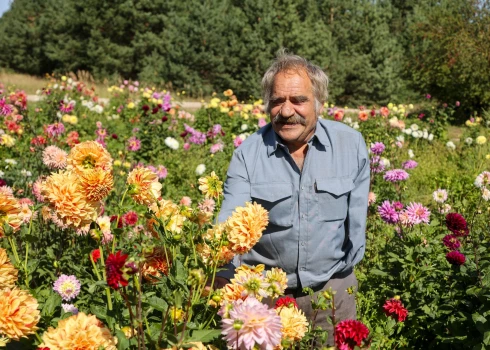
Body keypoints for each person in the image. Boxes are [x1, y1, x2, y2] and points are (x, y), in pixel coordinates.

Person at [215, 50, 370, 343]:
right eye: (277, 101)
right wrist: (224, 276)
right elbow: (229, 224)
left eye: (298, 100)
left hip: (331, 294)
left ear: (318, 102)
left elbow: (357, 222)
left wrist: (342, 280)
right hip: (263, 301)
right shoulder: (248, 154)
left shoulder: (350, 146)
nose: (287, 112)